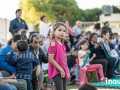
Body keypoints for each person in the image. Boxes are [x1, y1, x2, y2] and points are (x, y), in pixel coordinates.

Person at [48, 22, 70, 90]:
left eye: (64, 31)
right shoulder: (53, 43)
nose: (62, 32)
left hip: (64, 70)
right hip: (57, 71)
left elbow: (64, 59)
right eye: (59, 30)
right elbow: (50, 59)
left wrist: (67, 70)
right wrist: (60, 69)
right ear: (54, 32)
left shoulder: (62, 44)